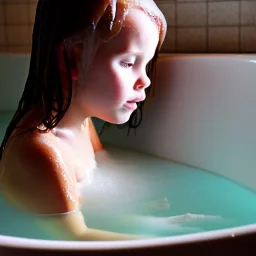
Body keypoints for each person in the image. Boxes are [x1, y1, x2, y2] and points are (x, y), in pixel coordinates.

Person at [0, 0, 220, 241]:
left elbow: (103, 167)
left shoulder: (79, 123)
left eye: (145, 65)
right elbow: (74, 237)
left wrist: (131, 212)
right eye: (128, 63)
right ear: (71, 59)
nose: (145, 81)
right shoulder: (41, 152)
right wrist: (166, 242)